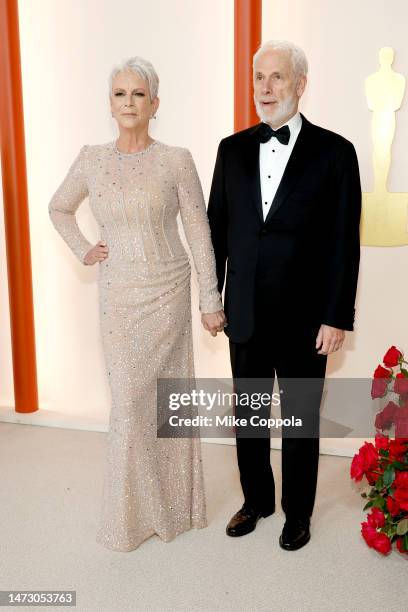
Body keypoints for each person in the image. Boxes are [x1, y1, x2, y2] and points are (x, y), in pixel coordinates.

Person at [48, 56, 226, 552]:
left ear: (155, 103)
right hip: (119, 296)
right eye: (120, 94)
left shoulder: (176, 160)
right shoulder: (91, 159)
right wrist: (83, 247)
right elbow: (58, 206)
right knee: (128, 403)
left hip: (168, 289)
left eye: (138, 94)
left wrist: (209, 297)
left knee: (163, 401)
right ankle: (128, 518)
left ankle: (171, 509)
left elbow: (197, 230)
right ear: (110, 103)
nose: (129, 103)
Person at [207, 40, 361, 550]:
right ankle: (256, 501)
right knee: (248, 417)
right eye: (258, 78)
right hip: (244, 313)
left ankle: (298, 513)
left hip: (305, 318)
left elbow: (344, 241)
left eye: (277, 78)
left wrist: (336, 316)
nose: (265, 88)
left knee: (299, 422)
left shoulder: (337, 153)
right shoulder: (230, 150)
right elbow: (217, 229)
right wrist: (212, 297)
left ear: (300, 84)